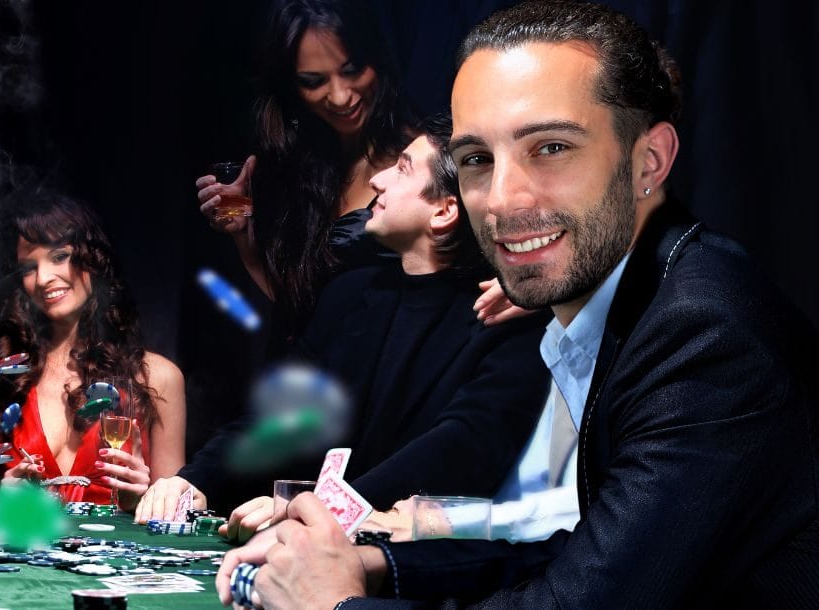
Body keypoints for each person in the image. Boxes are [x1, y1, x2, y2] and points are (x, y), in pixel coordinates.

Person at [216, 2, 819, 607]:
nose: (500, 199)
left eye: (551, 148)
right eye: (477, 159)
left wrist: (336, 602)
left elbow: (583, 601)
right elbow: (579, 551)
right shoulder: (623, 304)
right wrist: (375, 564)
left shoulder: (703, 333)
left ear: (648, 161)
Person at [137, 115, 550, 531]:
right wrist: (193, 480)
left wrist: (322, 509)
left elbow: (460, 445)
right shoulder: (350, 294)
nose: (377, 181)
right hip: (313, 537)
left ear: (444, 212)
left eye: (402, 167)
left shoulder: (507, 314)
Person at [196, 0, 415, 347]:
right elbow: (299, 307)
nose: (341, 96)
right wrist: (243, 237)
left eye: (352, 69)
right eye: (314, 81)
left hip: (400, 381)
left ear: (377, 59)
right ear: (291, 87)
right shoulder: (301, 167)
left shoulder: (423, 158)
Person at [0, 193, 186, 510]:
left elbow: (177, 514)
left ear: (93, 259)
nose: (44, 279)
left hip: (118, 557)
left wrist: (142, 497)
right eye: (29, 267)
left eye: (59, 257)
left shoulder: (159, 377)